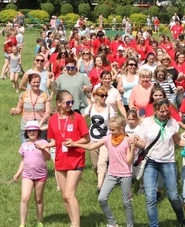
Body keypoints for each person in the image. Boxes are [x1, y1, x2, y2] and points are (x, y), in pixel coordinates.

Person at [65, 115, 136, 226]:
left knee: (126, 203)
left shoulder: (127, 140)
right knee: (102, 199)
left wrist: (132, 148)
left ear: (121, 129)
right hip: (111, 174)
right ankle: (112, 223)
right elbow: (91, 146)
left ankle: (130, 225)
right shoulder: (107, 139)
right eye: (109, 129)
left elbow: (129, 161)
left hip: (125, 175)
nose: (110, 132)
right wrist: (75, 144)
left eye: (113, 130)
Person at [39, 90, 90, 227]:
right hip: (61, 160)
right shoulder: (53, 120)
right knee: (64, 195)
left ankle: (76, 225)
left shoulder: (77, 117)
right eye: (68, 102)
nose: (70, 104)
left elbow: (86, 139)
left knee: (69, 194)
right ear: (59, 103)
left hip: (76, 158)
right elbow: (55, 140)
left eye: (72, 102)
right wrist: (44, 145)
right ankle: (73, 221)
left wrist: (74, 143)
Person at [134, 99, 185, 227]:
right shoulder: (147, 123)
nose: (164, 113)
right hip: (150, 161)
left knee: (173, 196)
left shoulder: (172, 123)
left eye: (166, 110)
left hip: (168, 161)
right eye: (161, 111)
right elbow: (142, 142)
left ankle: (181, 218)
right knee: (150, 197)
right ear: (155, 111)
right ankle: (154, 225)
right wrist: (133, 141)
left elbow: (178, 140)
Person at [13, 121, 50, 227]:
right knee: (25, 198)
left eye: (34, 130)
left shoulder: (44, 142)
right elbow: (23, 161)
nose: (32, 132)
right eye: (29, 130)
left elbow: (47, 158)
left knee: (38, 199)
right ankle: (22, 223)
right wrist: (18, 172)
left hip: (41, 175)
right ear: (26, 132)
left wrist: (41, 148)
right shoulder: (24, 145)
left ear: (38, 131)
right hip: (27, 175)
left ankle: (39, 221)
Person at [83, 87, 116, 191]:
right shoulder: (90, 107)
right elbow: (81, 118)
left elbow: (114, 123)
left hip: (105, 140)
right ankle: (102, 180)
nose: (104, 97)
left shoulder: (110, 109)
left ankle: (100, 187)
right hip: (92, 140)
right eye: (102, 95)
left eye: (106, 95)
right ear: (95, 96)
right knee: (94, 165)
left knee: (102, 162)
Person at [10, 73, 51, 143]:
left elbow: (48, 111)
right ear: (29, 83)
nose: (36, 84)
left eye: (38, 82)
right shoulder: (24, 94)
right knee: (27, 151)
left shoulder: (45, 95)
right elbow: (19, 109)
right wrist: (14, 111)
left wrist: (46, 115)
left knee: (41, 151)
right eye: (34, 82)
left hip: (40, 128)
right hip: (26, 128)